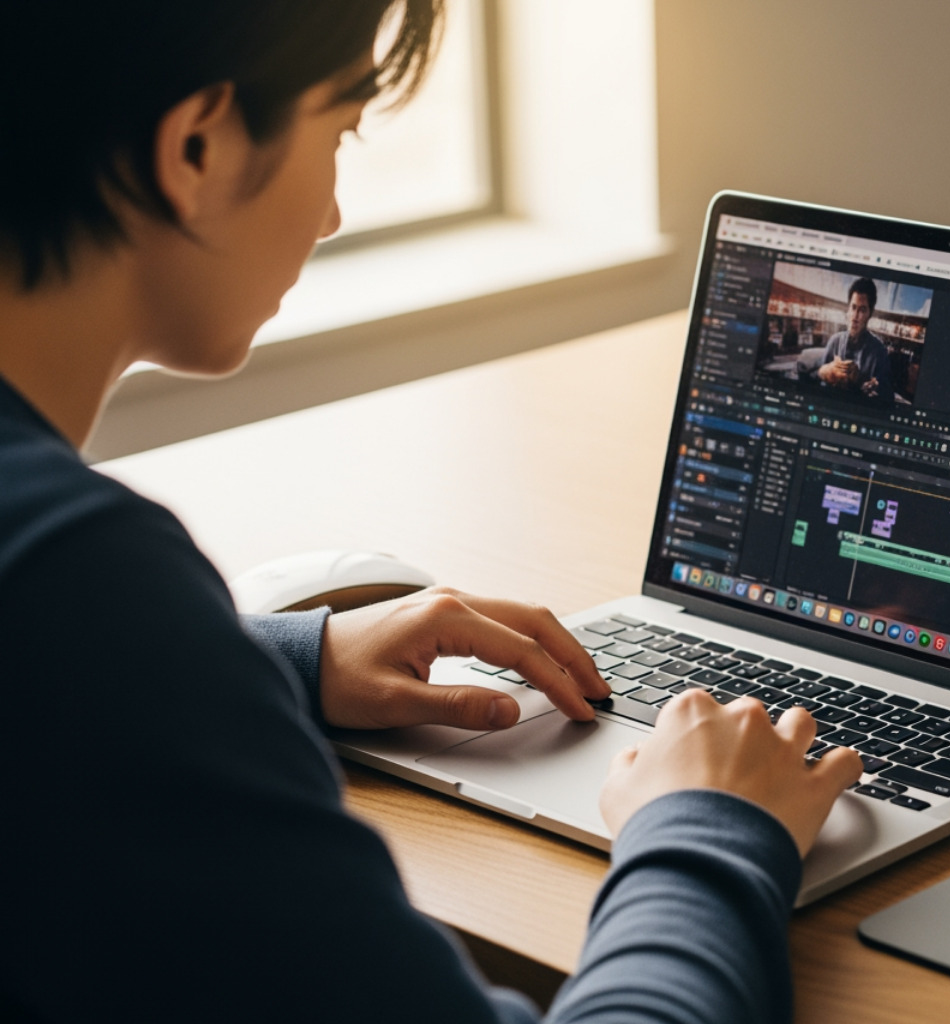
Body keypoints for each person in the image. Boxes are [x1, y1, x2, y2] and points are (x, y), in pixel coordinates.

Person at [0, 3, 863, 1022]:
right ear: (197, 147)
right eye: (341, 131)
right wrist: (710, 829)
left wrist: (283, 657)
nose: (330, 214)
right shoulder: (81, 584)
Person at [816, 277, 895, 401]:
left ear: (870, 314)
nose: (855, 316)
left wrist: (861, 379)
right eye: (853, 307)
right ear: (848, 309)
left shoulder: (879, 351)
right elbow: (818, 377)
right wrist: (827, 372)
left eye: (862, 310)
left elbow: (888, 396)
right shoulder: (835, 341)